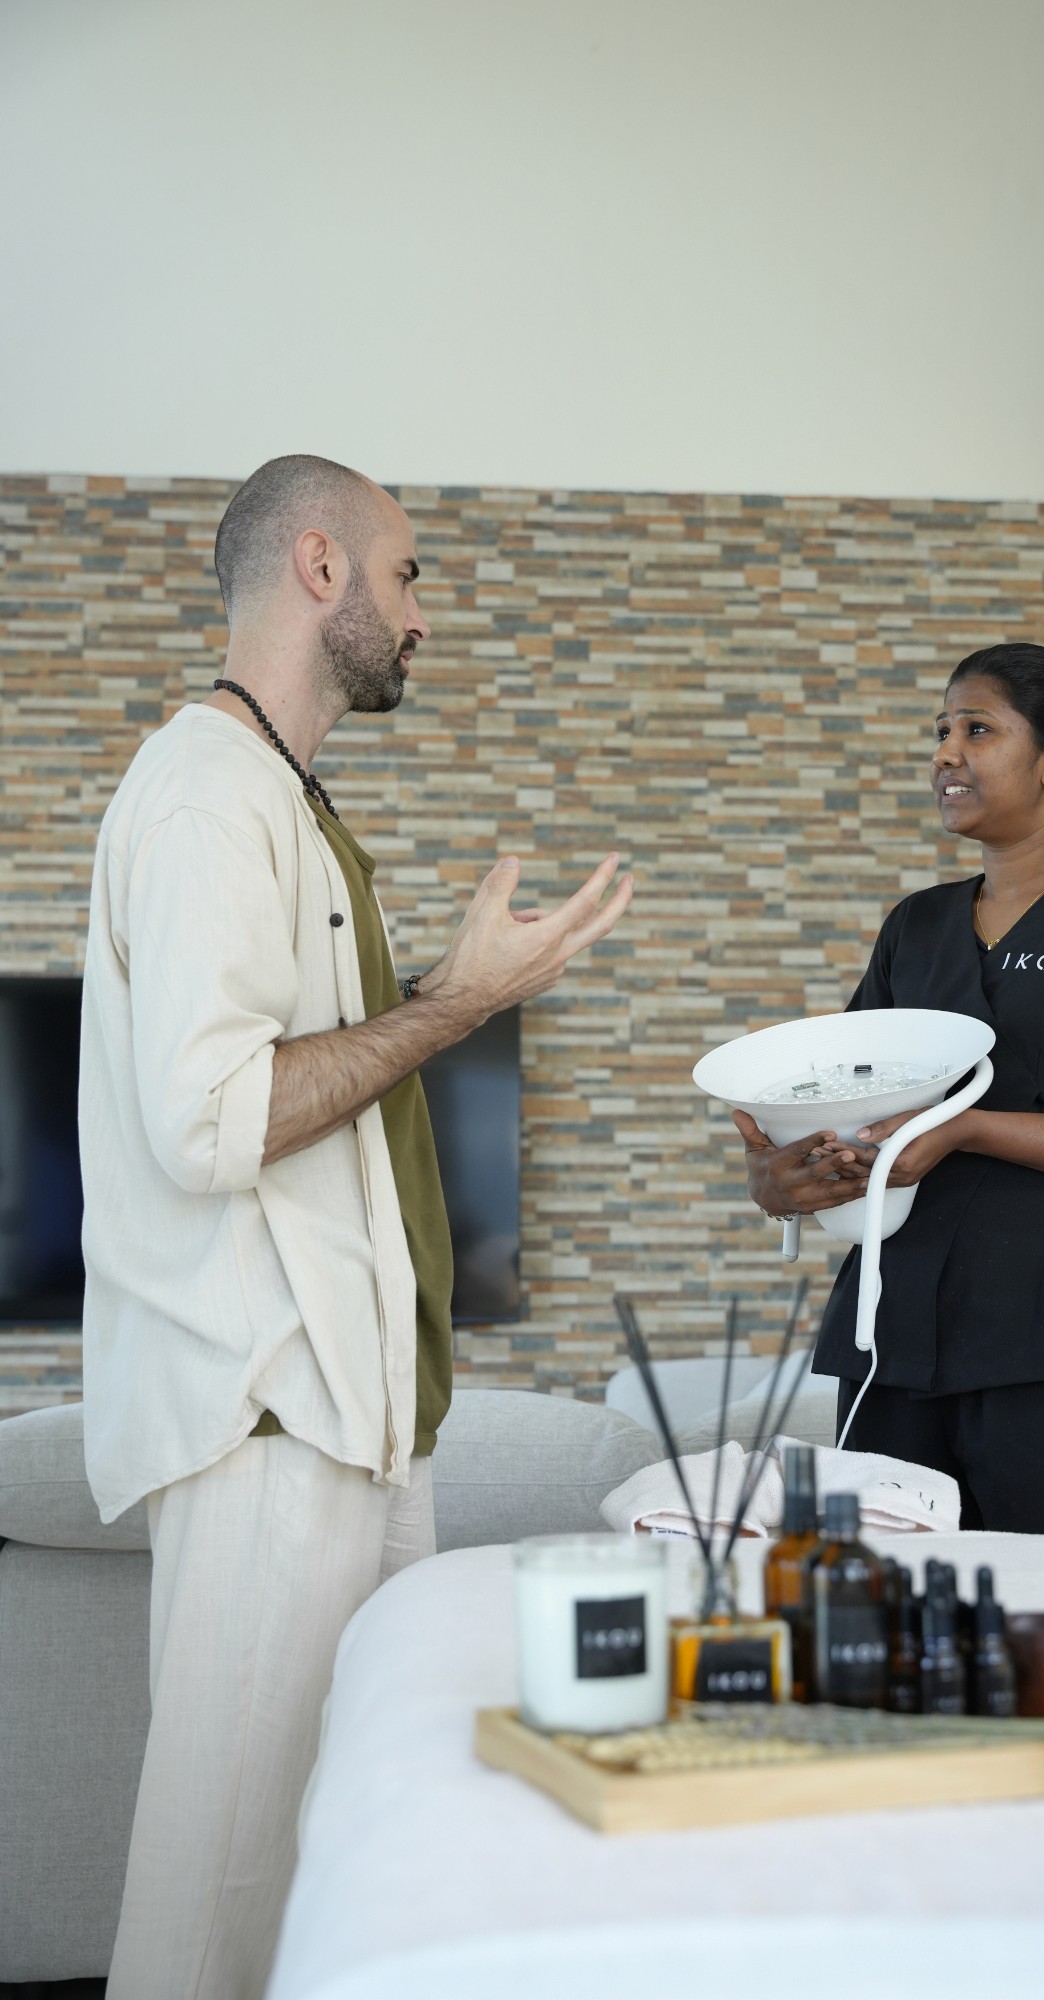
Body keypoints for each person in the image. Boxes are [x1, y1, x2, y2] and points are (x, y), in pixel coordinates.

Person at [79, 454, 632, 2000]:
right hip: (270, 1408)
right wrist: (456, 1009)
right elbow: (210, 1119)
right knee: (217, 1901)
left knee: (346, 1869)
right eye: (405, 575)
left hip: (360, 1420)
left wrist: (448, 997)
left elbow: (320, 1075)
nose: (420, 615)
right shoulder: (206, 793)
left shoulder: (282, 797)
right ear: (317, 567)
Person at [733, 642, 1044, 1535]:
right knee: (886, 1609)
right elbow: (845, 1119)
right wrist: (779, 1179)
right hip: (891, 1342)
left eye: (976, 730)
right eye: (939, 732)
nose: (945, 754)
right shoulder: (914, 928)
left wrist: (968, 1129)